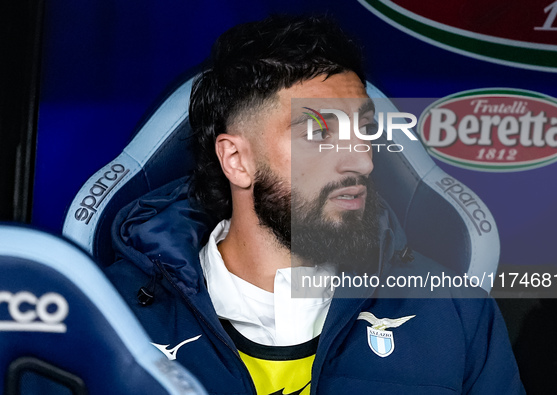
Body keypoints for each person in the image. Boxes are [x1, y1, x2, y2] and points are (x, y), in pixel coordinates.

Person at [105, 14, 524, 394]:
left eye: (364, 129)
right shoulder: (106, 316)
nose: (361, 159)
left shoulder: (455, 313)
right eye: (319, 133)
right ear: (237, 160)